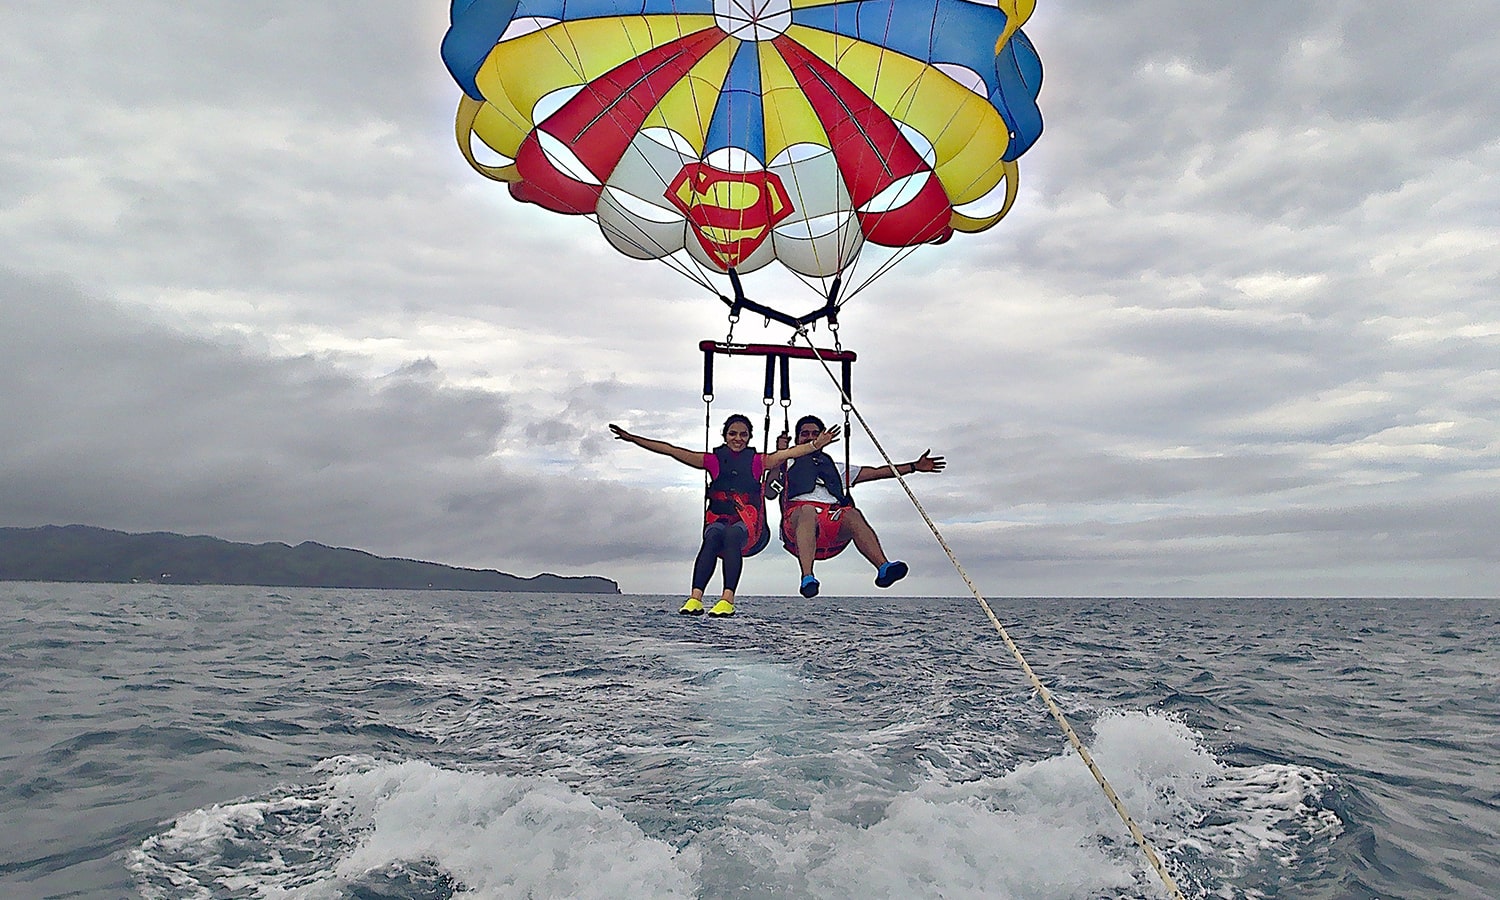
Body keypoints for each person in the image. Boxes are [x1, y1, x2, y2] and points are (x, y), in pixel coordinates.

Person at [610, 415, 840, 617]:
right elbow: (671, 450)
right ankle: (695, 598)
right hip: (718, 520)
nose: (737, 438)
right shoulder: (712, 461)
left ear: (749, 437)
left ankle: (727, 599)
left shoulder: (758, 461)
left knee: (730, 535)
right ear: (724, 435)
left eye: (743, 434)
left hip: (750, 529)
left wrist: (815, 444)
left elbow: (791, 452)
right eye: (732, 433)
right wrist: (634, 439)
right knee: (713, 536)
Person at [769, 415, 945, 597]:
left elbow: (876, 473)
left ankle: (883, 567)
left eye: (815, 433)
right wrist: (780, 455)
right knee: (807, 511)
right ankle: (807, 577)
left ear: (823, 437)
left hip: (831, 521)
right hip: (798, 520)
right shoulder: (786, 462)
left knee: (852, 514)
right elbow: (769, 492)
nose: (810, 437)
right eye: (805, 434)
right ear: (797, 439)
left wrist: (914, 466)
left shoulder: (836, 468)